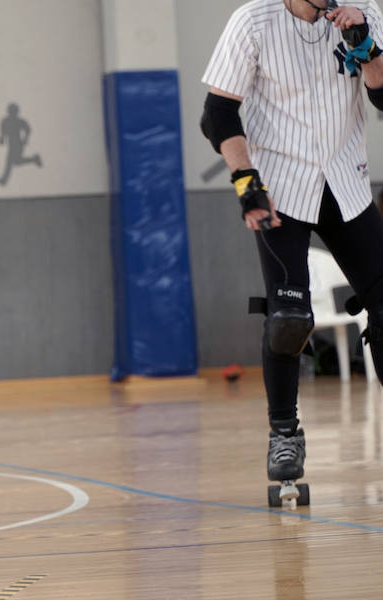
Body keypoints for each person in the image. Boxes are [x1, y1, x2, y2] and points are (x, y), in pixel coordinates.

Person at [200, 0, 383, 494]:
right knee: (288, 319)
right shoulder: (252, 22)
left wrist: (365, 45)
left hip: (347, 184)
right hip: (278, 188)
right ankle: (284, 435)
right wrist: (245, 181)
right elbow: (218, 113)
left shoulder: (363, 11)